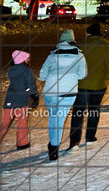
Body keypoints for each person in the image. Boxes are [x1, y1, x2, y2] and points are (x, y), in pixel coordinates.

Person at [68, 22, 109, 152]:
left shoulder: (81, 46)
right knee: (94, 110)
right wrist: (105, 76)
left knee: (78, 112)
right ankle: (90, 137)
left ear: (89, 33)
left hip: (81, 85)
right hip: (100, 84)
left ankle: (74, 142)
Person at [40, 30, 87, 161]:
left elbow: (42, 75)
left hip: (50, 91)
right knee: (59, 120)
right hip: (68, 92)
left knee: (53, 118)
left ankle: (53, 145)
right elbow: (82, 75)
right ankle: (53, 147)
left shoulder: (52, 56)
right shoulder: (79, 56)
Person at [0, 50, 39, 157]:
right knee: (22, 122)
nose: (28, 60)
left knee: (4, 124)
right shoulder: (27, 71)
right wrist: (35, 96)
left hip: (9, 100)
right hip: (21, 100)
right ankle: (22, 143)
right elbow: (30, 85)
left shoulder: (11, 70)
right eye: (27, 58)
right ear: (23, 60)